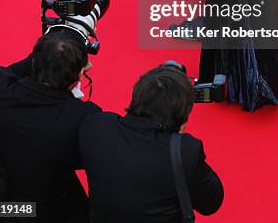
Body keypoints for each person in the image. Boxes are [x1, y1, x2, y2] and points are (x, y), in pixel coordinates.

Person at [0, 27, 101, 222]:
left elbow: (14, 71)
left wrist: (53, 43)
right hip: (34, 213)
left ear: (34, 60)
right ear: (82, 72)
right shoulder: (83, 119)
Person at [79, 65, 224, 222]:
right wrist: (177, 138)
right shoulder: (185, 151)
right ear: (182, 115)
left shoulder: (96, 125)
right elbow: (211, 203)